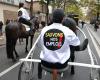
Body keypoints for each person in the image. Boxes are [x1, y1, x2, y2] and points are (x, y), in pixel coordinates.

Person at [36, 9, 88, 79]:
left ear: (52, 18)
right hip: (61, 65)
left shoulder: (44, 29)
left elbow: (39, 44)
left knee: (43, 49)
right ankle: (81, 48)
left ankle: (39, 72)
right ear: (63, 19)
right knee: (71, 46)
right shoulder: (68, 31)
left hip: (44, 63)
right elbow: (76, 43)